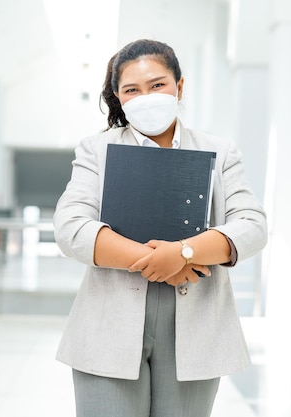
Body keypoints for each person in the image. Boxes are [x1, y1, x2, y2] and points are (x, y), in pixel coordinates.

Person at [53, 39, 268, 417]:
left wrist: (183, 252)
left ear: (179, 87)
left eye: (157, 85)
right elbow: (71, 227)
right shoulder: (96, 150)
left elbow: (251, 226)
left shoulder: (220, 151)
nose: (146, 97)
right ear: (118, 98)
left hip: (197, 327)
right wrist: (161, 261)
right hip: (109, 327)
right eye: (132, 90)